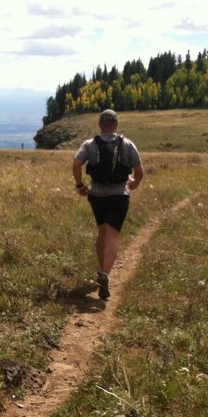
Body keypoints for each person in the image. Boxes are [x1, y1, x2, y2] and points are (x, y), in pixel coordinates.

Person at [72, 109, 144, 299]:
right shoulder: (127, 144)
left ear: (100, 124)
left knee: (102, 232)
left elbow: (76, 163)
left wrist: (80, 185)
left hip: (96, 196)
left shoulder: (89, 144)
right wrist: (134, 184)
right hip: (119, 195)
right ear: (116, 124)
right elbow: (139, 171)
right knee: (112, 235)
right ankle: (104, 274)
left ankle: (101, 270)